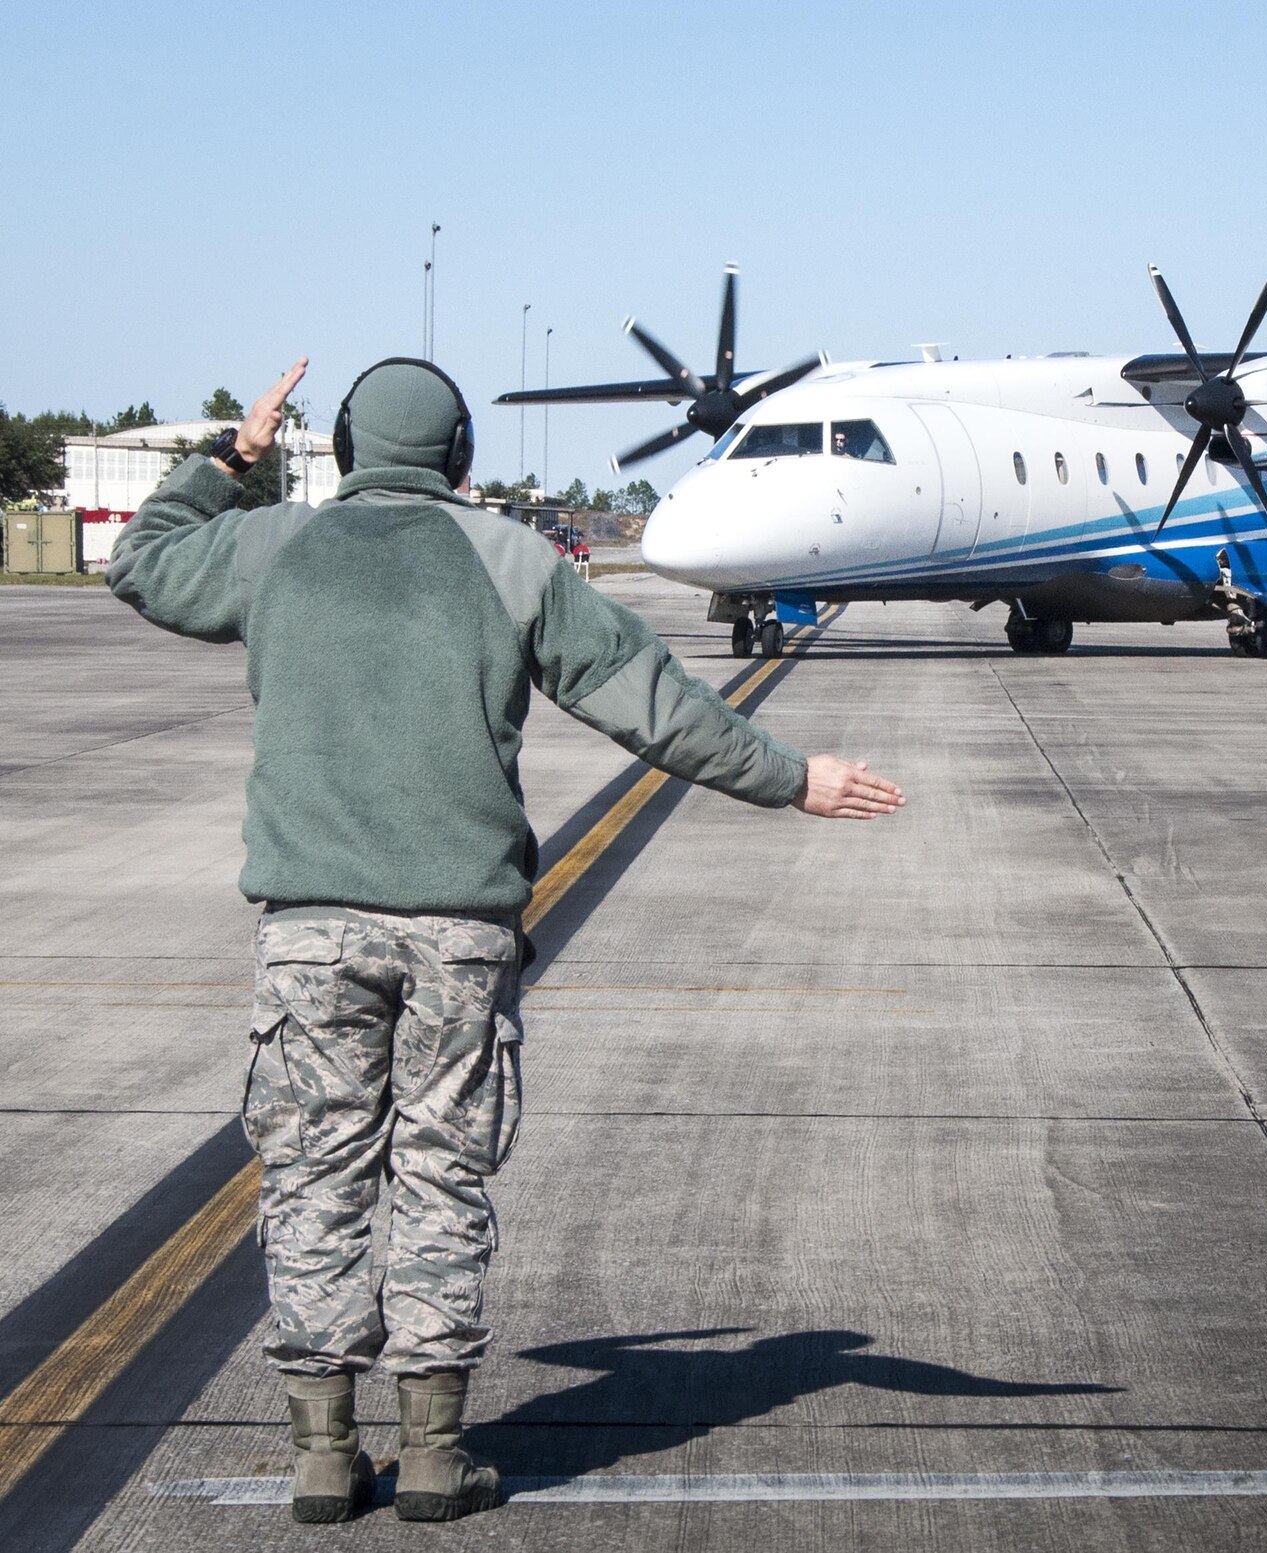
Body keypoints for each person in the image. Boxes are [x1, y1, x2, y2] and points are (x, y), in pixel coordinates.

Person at [107, 357, 902, 1525]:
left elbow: (141, 562)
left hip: (310, 931)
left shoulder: (270, 545)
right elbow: (648, 694)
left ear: (340, 448)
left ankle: (325, 1454)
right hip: (457, 931)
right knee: (441, 1175)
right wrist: (790, 778)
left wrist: (230, 460)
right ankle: (434, 1453)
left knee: (313, 1174)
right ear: (462, 455)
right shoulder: (514, 559)